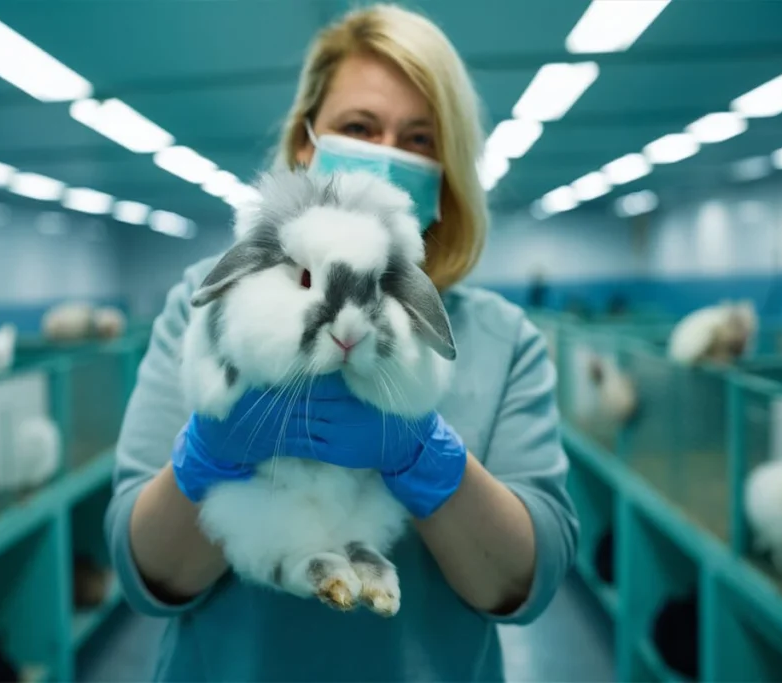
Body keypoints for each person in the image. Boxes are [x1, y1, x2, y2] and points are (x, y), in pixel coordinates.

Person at [105, 4, 578, 681]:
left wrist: (425, 460)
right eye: (359, 127)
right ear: (307, 144)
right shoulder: (206, 304)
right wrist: (211, 456)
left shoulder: (504, 339)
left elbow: (527, 580)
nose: (386, 154)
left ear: (447, 171)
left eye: (419, 138)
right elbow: (142, 568)